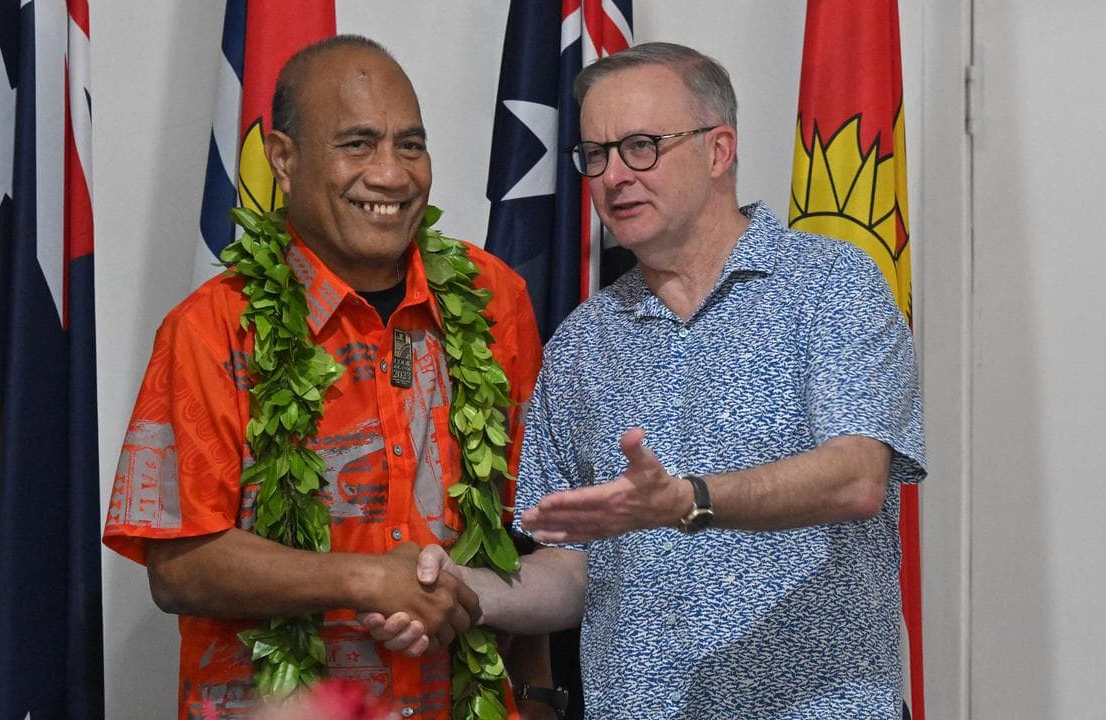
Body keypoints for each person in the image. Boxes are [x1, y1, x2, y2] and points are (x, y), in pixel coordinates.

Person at [367, 42, 926, 719]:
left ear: (719, 151)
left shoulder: (832, 285)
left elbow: (856, 478)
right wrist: (462, 591)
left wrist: (688, 499)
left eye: (640, 147)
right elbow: (569, 570)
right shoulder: (581, 343)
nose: (612, 177)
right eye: (595, 156)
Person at [102, 35, 547, 720]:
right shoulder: (211, 328)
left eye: (410, 145)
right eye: (357, 144)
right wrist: (367, 578)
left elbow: (531, 530)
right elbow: (179, 565)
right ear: (284, 159)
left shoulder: (495, 300)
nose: (392, 175)